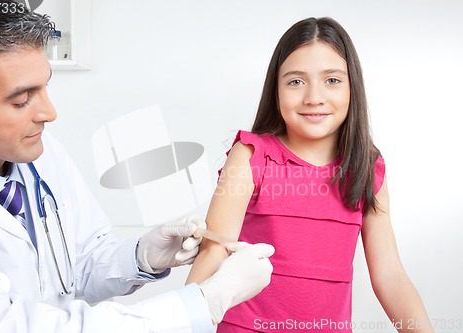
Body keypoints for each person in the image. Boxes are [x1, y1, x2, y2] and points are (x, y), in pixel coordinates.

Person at [0, 2, 275, 332]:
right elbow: (7, 326)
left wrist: (141, 257)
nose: (49, 113)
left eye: (45, 87)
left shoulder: (42, 152)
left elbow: (75, 268)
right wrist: (206, 302)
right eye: (21, 100)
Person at [186, 17, 434, 332]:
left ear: (352, 86)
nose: (313, 97)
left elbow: (390, 276)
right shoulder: (251, 156)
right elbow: (214, 251)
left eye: (332, 80)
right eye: (296, 81)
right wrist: (179, 320)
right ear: (275, 89)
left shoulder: (366, 170)